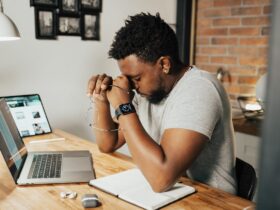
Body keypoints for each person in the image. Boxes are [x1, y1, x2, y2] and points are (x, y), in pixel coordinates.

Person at [87, 13, 237, 194]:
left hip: (214, 201)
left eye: (136, 78)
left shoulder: (199, 89)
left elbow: (161, 180)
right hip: (170, 194)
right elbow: (107, 144)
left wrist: (123, 107)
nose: (132, 87)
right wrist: (101, 100)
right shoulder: (148, 92)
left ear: (164, 64)